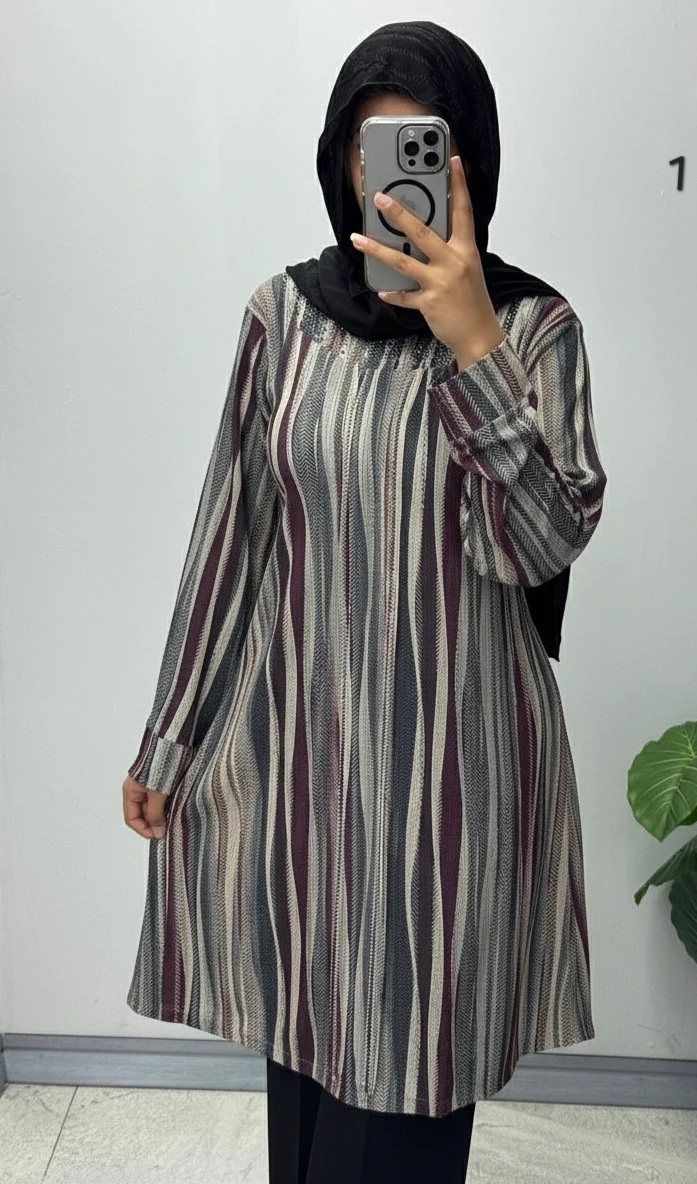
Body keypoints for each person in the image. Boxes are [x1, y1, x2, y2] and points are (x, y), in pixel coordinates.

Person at [121, 18, 606, 1184]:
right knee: (311, 1070)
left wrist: (473, 344)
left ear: (468, 160)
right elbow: (230, 540)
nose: (391, 180)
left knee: (408, 1085)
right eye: (368, 148)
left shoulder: (536, 328)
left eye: (422, 149)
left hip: (455, 784)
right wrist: (171, 734)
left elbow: (536, 544)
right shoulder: (282, 318)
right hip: (307, 770)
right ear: (340, 159)